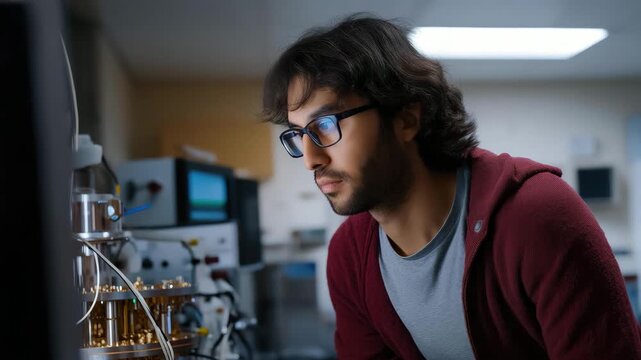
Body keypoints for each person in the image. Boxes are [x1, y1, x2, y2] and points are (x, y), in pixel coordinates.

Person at [261, 13, 641, 360]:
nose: (310, 159)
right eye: (298, 134)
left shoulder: (537, 215)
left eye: (326, 125)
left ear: (406, 119)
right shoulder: (351, 254)